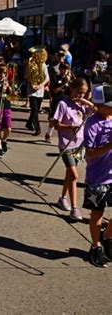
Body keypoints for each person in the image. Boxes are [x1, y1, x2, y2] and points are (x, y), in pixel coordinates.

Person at [53, 78, 94, 221]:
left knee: (70, 174)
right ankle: (75, 208)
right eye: (78, 92)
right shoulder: (63, 104)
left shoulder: (83, 105)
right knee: (75, 175)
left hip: (80, 144)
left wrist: (86, 102)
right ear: (72, 88)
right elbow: (55, 124)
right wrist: (70, 127)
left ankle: (62, 197)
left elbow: (96, 110)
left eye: (84, 93)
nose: (80, 95)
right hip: (66, 145)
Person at [83, 85, 112, 267]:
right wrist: (110, 145)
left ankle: (107, 236)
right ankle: (96, 246)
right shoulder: (92, 124)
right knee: (97, 212)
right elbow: (90, 154)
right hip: (98, 176)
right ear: (100, 105)